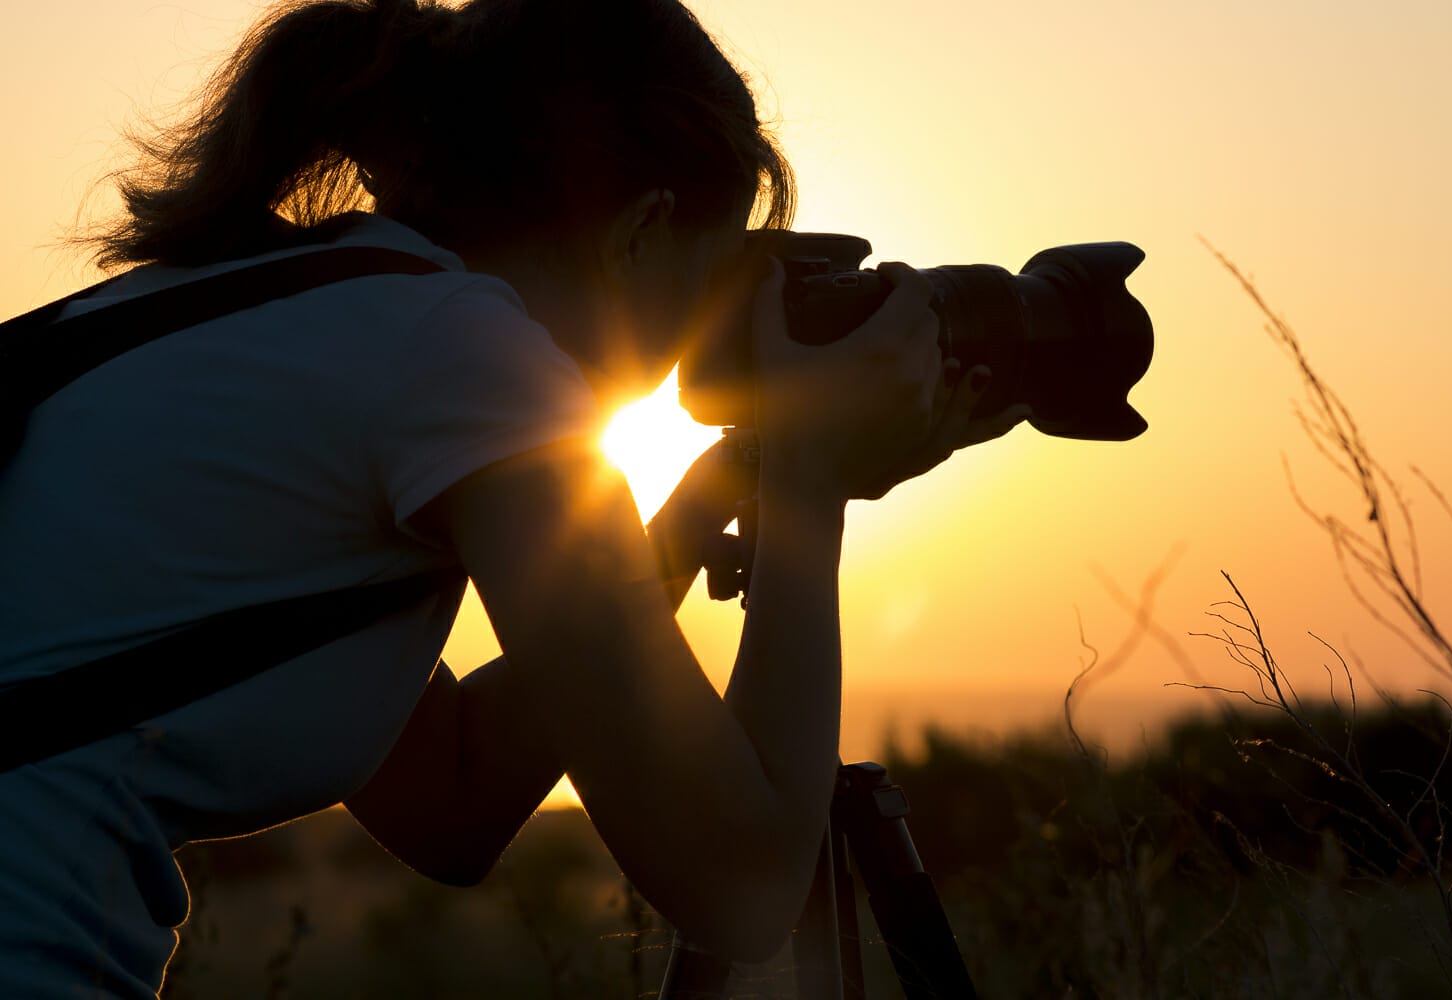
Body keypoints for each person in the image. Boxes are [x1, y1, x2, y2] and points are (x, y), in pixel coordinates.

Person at [0, 0, 1023, 994]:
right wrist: (808, 480)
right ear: (645, 228)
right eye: (712, 274)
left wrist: (702, 501)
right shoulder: (471, 355)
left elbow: (451, 797)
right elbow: (744, 889)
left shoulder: (237, 312)